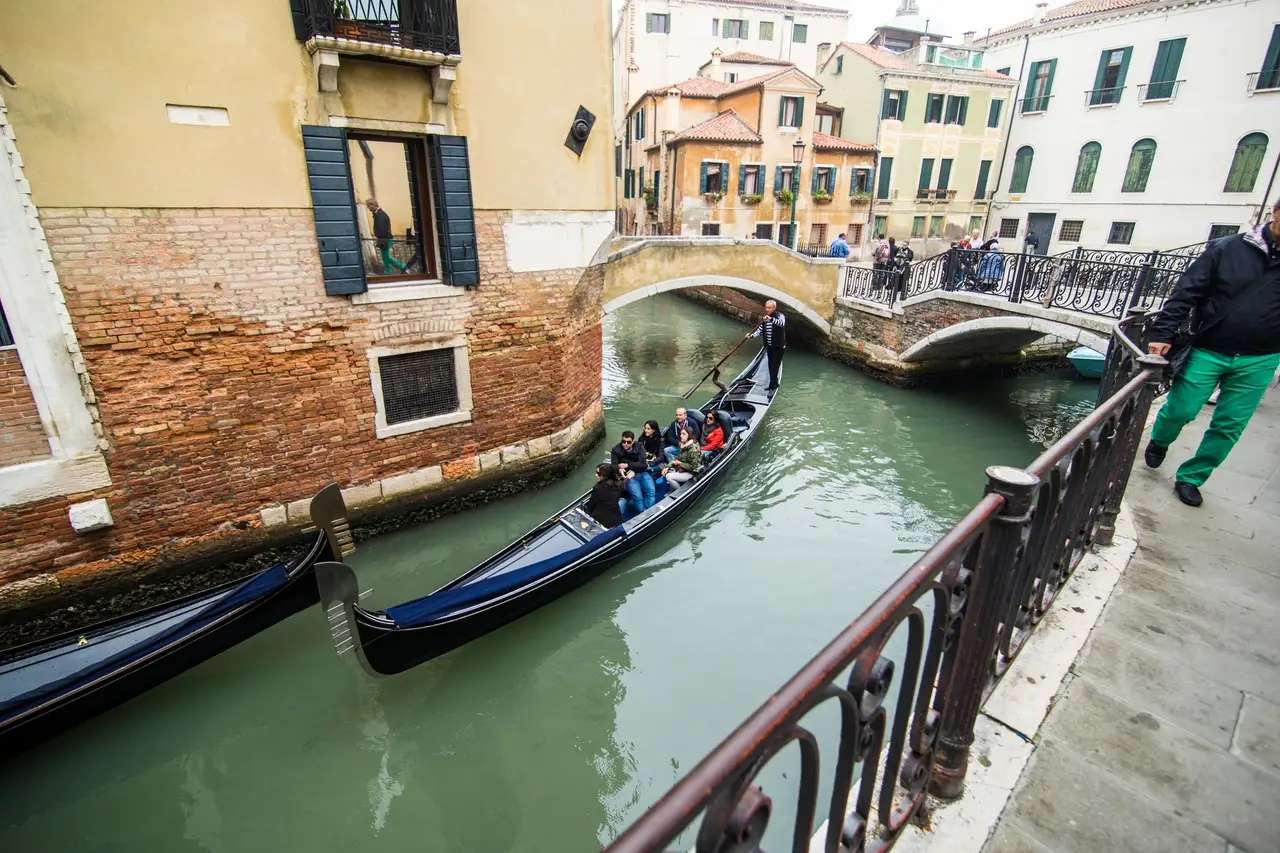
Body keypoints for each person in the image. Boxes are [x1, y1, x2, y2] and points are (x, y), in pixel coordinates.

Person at [1143, 199, 1280, 507]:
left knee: (1229, 424)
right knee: (1181, 409)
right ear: (1274, 213)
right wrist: (1164, 333)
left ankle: (1192, 477)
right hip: (1209, 348)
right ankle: (1160, 439)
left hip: (1262, 357)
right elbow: (1186, 291)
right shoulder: (1227, 248)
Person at [744, 299, 787, 393]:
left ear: (774, 308)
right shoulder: (765, 318)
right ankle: (773, 383)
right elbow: (760, 330)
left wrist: (770, 319)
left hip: (778, 347)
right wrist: (751, 336)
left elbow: (782, 324)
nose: (767, 309)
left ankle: (773, 386)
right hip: (770, 346)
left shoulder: (780, 316)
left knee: (774, 366)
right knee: (770, 365)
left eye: (769, 308)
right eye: (766, 307)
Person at [609, 429, 652, 515]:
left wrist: (626, 465)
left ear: (633, 442)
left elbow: (644, 465)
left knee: (651, 492)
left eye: (628, 442)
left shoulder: (639, 446)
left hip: (642, 473)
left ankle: (649, 511)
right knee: (638, 498)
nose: (625, 444)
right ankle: (644, 514)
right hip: (629, 477)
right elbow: (613, 466)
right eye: (623, 441)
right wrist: (618, 468)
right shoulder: (616, 450)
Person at [365, 199, 408, 276]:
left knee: (386, 257)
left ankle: (402, 266)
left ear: (373, 205)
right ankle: (388, 272)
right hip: (384, 239)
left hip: (385, 239)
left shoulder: (380, 215)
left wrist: (381, 239)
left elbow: (382, 229)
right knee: (384, 257)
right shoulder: (379, 214)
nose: (368, 208)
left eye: (368, 206)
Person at [584, 463, 625, 528]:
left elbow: (591, 506)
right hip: (615, 519)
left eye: (599, 474)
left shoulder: (598, 488)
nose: (596, 475)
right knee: (623, 500)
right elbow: (623, 483)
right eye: (596, 472)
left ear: (605, 475)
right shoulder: (619, 485)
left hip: (600, 520)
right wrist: (627, 477)